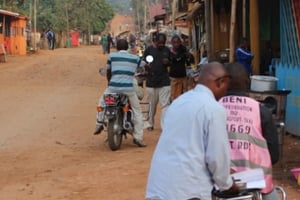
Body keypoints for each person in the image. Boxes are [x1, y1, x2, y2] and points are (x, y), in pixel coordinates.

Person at [145, 62, 239, 200]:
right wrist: (228, 184)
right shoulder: (213, 109)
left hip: (160, 184)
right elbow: (216, 156)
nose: (226, 92)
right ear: (220, 82)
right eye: (226, 87)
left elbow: (184, 146)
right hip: (188, 189)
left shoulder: (179, 102)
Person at [219, 62, 280, 200]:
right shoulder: (261, 111)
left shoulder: (212, 108)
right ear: (248, 82)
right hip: (255, 185)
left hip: (219, 184)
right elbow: (274, 156)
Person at [94, 39, 147, 147]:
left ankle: (99, 123)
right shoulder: (134, 58)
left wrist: (110, 83)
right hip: (128, 88)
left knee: (101, 102)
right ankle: (138, 137)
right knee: (137, 111)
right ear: (127, 47)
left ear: (117, 47)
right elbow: (144, 67)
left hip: (113, 87)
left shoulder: (112, 56)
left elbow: (108, 71)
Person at [142, 32, 171, 131]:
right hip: (151, 82)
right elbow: (143, 62)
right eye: (159, 42)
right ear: (155, 41)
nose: (161, 45)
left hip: (164, 82)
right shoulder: (149, 50)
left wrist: (168, 63)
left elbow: (172, 62)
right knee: (151, 105)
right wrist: (146, 66)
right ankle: (150, 124)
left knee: (165, 105)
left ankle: (164, 126)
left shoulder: (167, 50)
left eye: (163, 43)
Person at [169, 35, 193, 101]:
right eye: (174, 42)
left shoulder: (183, 49)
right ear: (172, 43)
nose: (176, 44)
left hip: (183, 76)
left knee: (184, 96)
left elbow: (190, 61)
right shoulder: (169, 51)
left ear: (180, 42)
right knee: (173, 96)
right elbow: (174, 59)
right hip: (173, 77)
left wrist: (189, 56)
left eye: (178, 42)